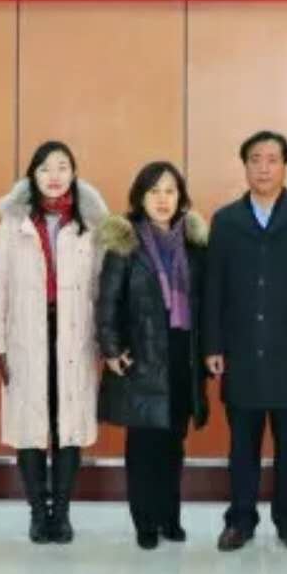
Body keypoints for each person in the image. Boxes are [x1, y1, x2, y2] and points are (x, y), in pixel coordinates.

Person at [203, 130, 287, 553]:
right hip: (241, 351)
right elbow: (213, 289)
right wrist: (212, 345)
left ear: (285, 166)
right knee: (241, 445)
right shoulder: (226, 221)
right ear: (245, 166)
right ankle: (240, 520)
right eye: (255, 159)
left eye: (272, 159)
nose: (263, 168)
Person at [0, 141, 108, 545]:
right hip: (26, 335)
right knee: (30, 426)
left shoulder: (90, 225)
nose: (54, 176)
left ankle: (63, 513)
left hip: (74, 335)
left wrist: (104, 342)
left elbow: (101, 289)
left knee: (68, 425)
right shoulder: (13, 224)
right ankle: (39, 513)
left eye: (62, 167)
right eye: (45, 168)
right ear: (32, 176)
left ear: (74, 173)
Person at [95, 161, 210, 550]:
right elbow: (107, 302)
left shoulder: (194, 246)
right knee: (144, 445)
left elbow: (205, 302)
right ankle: (145, 521)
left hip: (182, 357)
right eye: (154, 191)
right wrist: (111, 350)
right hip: (141, 357)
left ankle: (169, 516)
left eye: (170, 191)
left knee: (174, 443)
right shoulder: (125, 244)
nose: (163, 199)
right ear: (140, 198)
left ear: (181, 198)